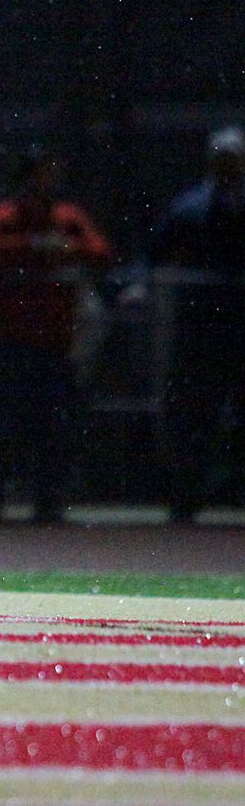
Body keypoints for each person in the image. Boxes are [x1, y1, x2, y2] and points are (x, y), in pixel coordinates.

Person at [0, 147, 113, 523]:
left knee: (56, 425)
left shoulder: (68, 218)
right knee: (6, 423)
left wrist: (67, 248)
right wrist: (30, 247)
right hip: (13, 337)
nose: (47, 182)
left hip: (58, 340)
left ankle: (49, 500)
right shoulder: (3, 217)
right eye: (41, 174)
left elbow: (100, 251)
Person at [143, 125, 245, 523]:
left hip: (231, 324)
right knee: (194, 412)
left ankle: (230, 491)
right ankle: (188, 496)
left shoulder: (194, 206)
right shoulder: (190, 207)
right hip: (202, 325)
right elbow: (156, 251)